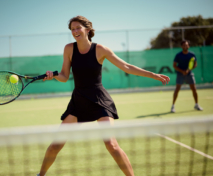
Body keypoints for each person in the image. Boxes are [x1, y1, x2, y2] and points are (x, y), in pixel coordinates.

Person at [37, 16, 170, 176]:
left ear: (87, 29)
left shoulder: (100, 49)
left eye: (78, 27)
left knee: (111, 144)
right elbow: (65, 76)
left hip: (99, 100)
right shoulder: (68, 49)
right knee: (55, 145)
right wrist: (54, 75)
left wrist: (153, 75)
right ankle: (40, 175)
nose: (75, 31)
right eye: (72, 29)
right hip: (79, 100)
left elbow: (126, 66)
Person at [171, 40, 203, 113]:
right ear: (181, 46)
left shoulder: (192, 54)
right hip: (180, 74)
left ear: (188, 46)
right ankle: (173, 106)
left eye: (186, 45)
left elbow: (195, 64)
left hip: (189, 74)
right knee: (177, 89)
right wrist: (182, 71)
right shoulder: (178, 55)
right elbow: (174, 65)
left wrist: (188, 70)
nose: (185, 46)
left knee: (194, 89)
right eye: (184, 45)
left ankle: (196, 104)